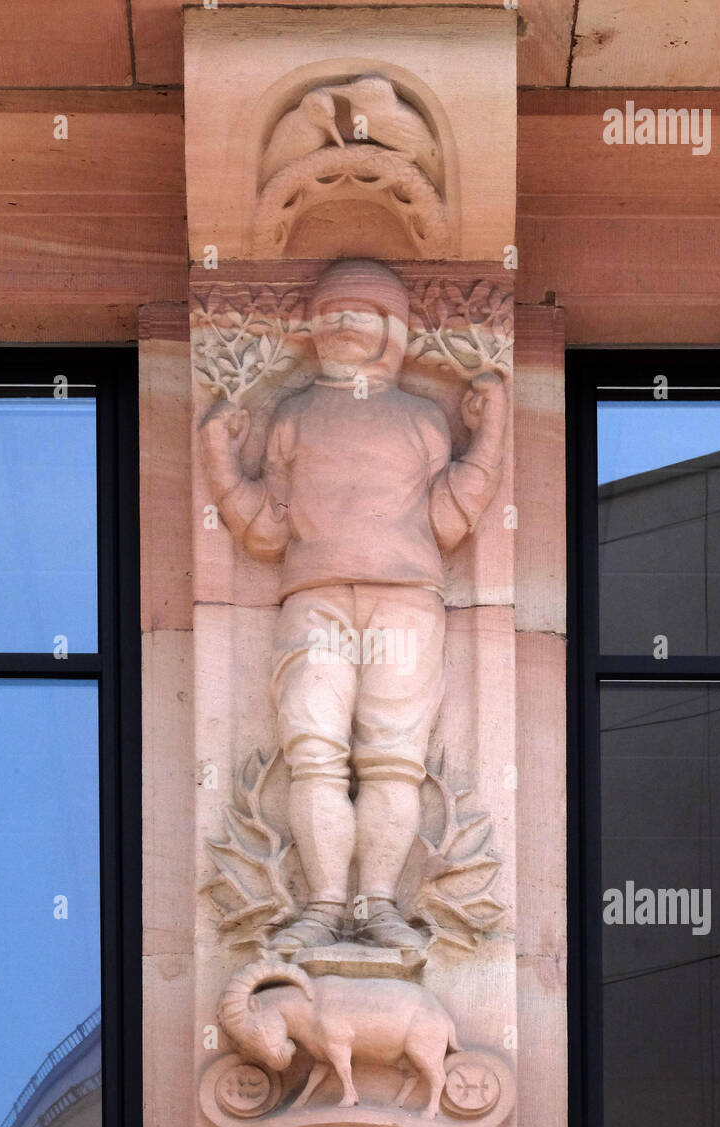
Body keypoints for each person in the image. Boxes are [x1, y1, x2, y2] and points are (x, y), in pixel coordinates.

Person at [201, 259, 506, 949]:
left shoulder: (423, 418)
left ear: (392, 328)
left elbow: (451, 521)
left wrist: (491, 431)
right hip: (312, 601)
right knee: (312, 753)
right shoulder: (294, 414)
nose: (341, 321)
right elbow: (266, 527)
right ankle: (321, 907)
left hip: (406, 605)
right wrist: (219, 457)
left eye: (359, 311)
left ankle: (378, 906)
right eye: (332, 310)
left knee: (395, 759)